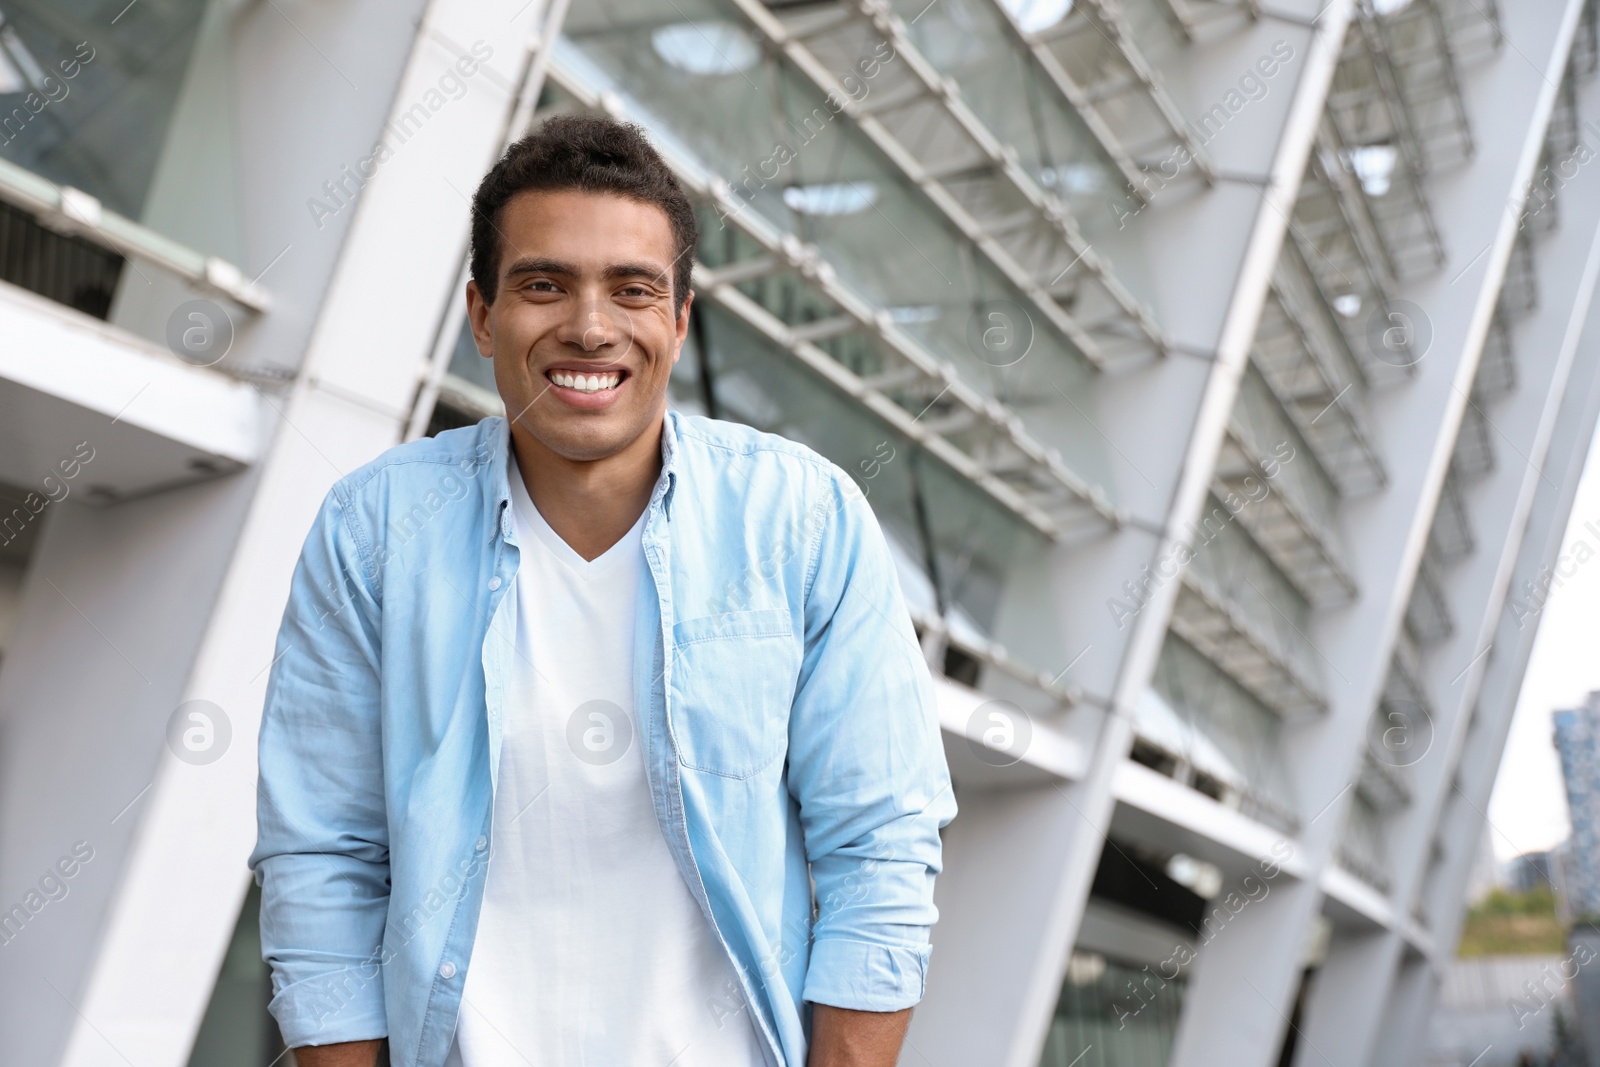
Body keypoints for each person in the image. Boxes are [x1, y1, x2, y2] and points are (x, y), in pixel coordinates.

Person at [249, 114, 957, 1067]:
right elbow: (323, 856)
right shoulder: (374, 528)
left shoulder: (802, 521)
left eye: (632, 289)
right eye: (545, 284)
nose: (590, 325)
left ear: (679, 320)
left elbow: (880, 846)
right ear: (483, 314)